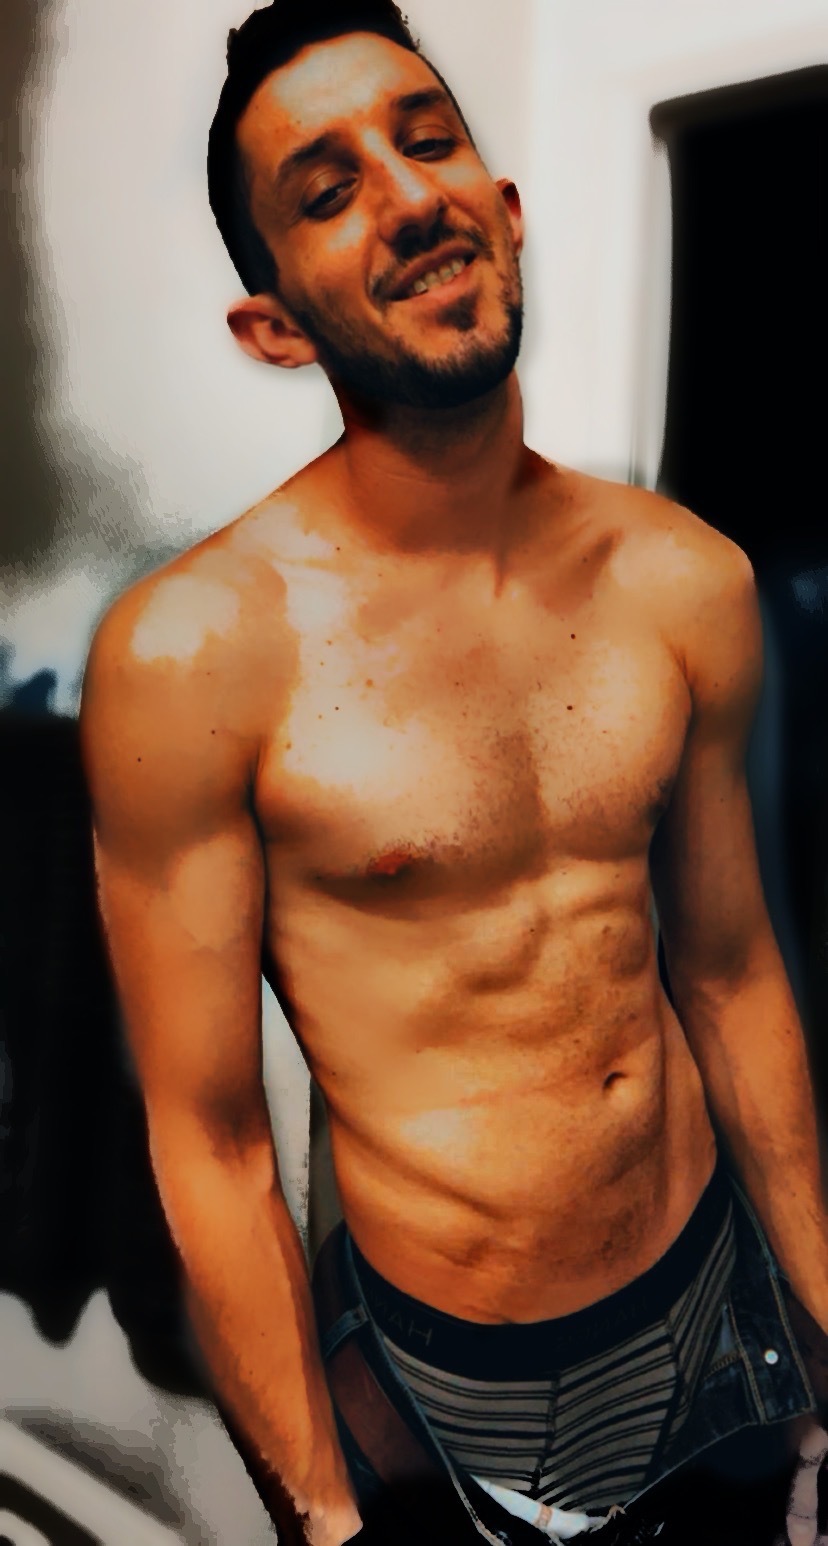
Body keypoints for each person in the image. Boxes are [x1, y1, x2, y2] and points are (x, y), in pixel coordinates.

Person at [79, 2, 828, 1542]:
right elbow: (209, 1137)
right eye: (329, 190)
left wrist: (825, 1312)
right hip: (455, 1387)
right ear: (275, 325)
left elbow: (730, 971)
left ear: (506, 207)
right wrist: (327, 1522)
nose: (410, 196)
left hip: (716, 1304)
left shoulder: (688, 577)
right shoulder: (195, 652)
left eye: (429, 142)